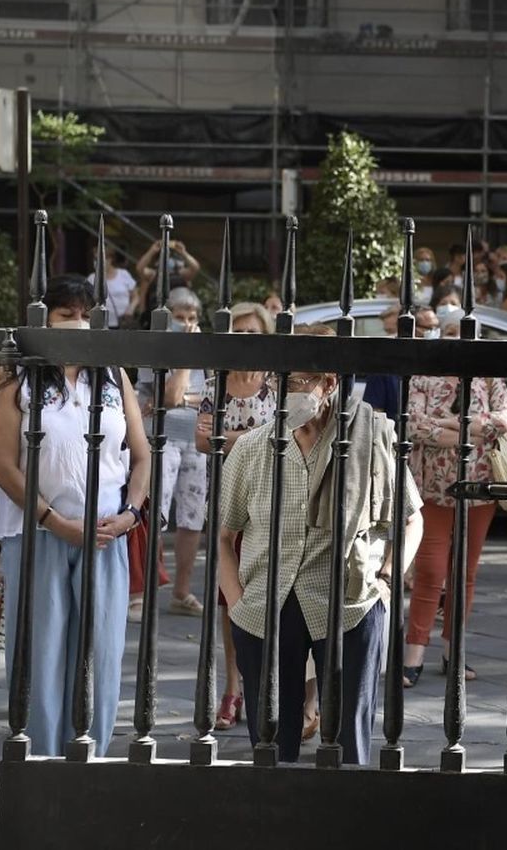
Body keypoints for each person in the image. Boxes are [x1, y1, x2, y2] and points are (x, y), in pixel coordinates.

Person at [218, 324, 424, 764]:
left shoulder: (369, 438)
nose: (283, 392)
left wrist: (387, 579)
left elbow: (412, 519)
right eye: (279, 381)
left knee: (349, 744)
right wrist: (237, 604)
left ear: (329, 383)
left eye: (295, 383)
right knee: (271, 747)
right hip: (265, 608)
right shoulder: (253, 448)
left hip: (349, 602)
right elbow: (223, 536)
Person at [0, 275, 149, 757]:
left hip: (105, 534)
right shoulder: (14, 377)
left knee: (101, 652)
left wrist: (131, 513)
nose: (77, 323)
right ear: (43, 318)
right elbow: (2, 465)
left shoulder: (113, 375)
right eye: (65, 314)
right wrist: (55, 521)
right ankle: (40, 761)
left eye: (84, 314)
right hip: (38, 534)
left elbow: (140, 454)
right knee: (41, 654)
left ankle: (89, 759)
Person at [401, 366, 507, 687]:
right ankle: (415, 650)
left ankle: (454, 651)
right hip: (433, 491)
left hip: (479, 489)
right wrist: (473, 433)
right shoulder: (422, 377)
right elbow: (415, 426)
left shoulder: (490, 378)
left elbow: (504, 420)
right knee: (429, 571)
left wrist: (445, 426)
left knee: (464, 573)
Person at [196, 301, 277, 733]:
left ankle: (269, 684)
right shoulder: (216, 383)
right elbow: (201, 441)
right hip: (226, 505)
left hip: (270, 505)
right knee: (231, 600)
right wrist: (249, 439)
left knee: (271, 596)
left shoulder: (278, 384)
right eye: (238, 333)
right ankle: (232, 687)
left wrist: (229, 439)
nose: (245, 341)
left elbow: (281, 440)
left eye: (252, 332)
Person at [144, 287, 210, 618]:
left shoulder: (207, 349)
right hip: (162, 438)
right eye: (179, 318)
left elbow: (214, 396)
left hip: (197, 439)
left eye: (192, 319)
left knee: (193, 517)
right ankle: (147, 588)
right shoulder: (156, 346)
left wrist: (184, 398)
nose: (186, 325)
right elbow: (166, 397)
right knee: (155, 513)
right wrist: (183, 362)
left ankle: (181, 592)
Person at [89, 252, 138, 329]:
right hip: (102, 323)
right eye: (95, 259)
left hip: (123, 322)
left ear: (110, 259)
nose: (96, 262)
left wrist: (131, 309)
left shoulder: (123, 274)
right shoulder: (92, 278)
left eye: (98, 259)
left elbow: (136, 296)